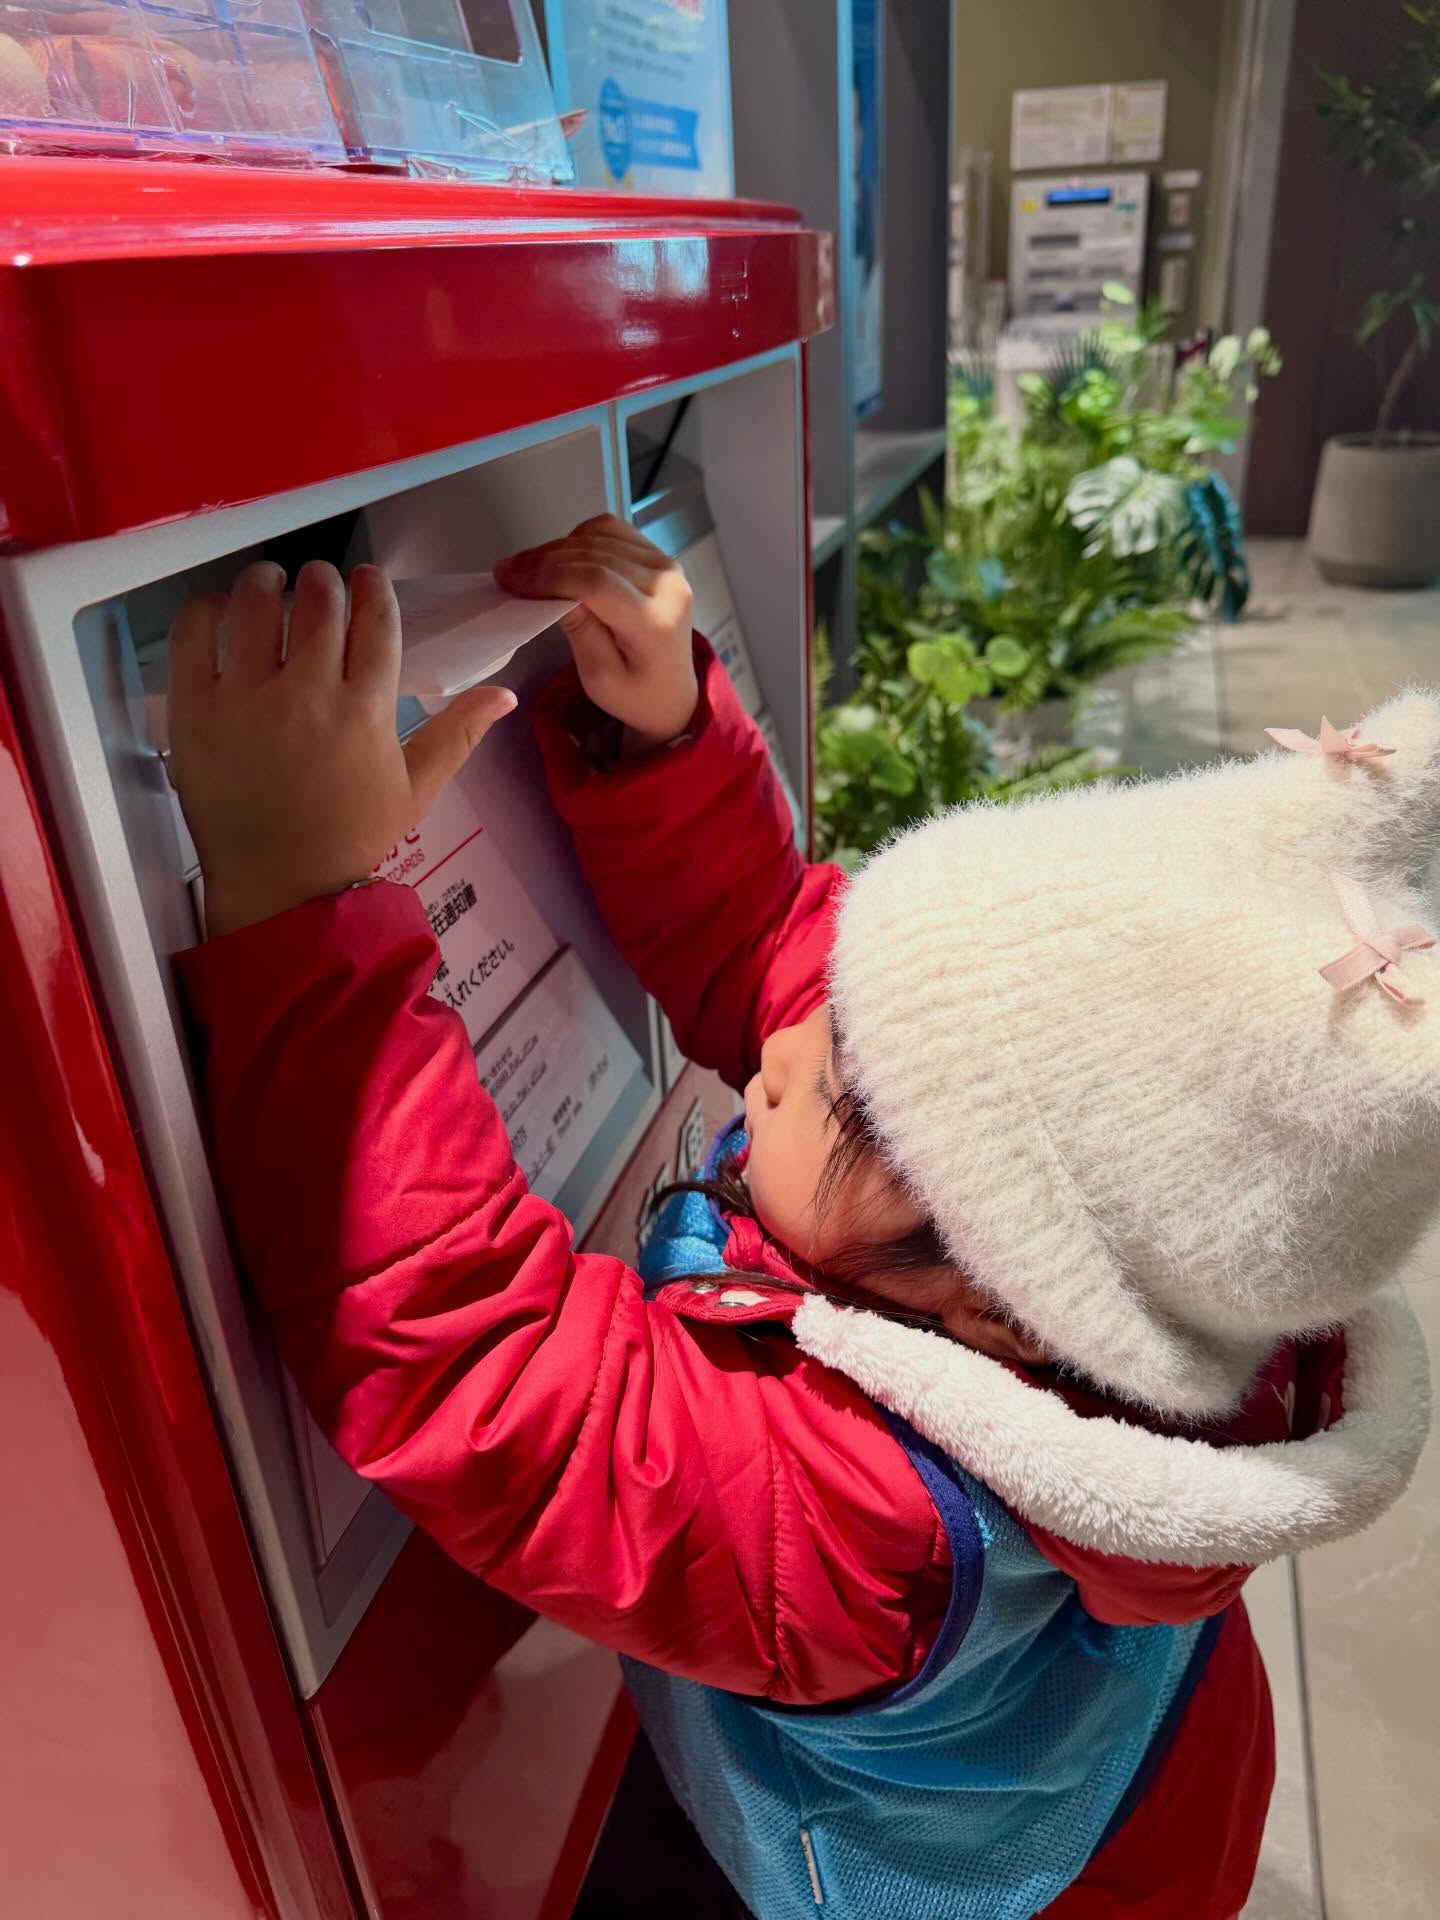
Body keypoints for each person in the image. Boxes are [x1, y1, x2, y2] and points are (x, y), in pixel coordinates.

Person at [170, 520, 1437, 1920]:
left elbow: (481, 1367)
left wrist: (303, 908)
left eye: (836, 1092)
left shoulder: (864, 1536)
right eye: (855, 991)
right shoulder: (1121, 1246)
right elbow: (777, 940)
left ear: (1004, 1304)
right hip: (1160, 1761)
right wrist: (653, 731)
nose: (785, 1044)